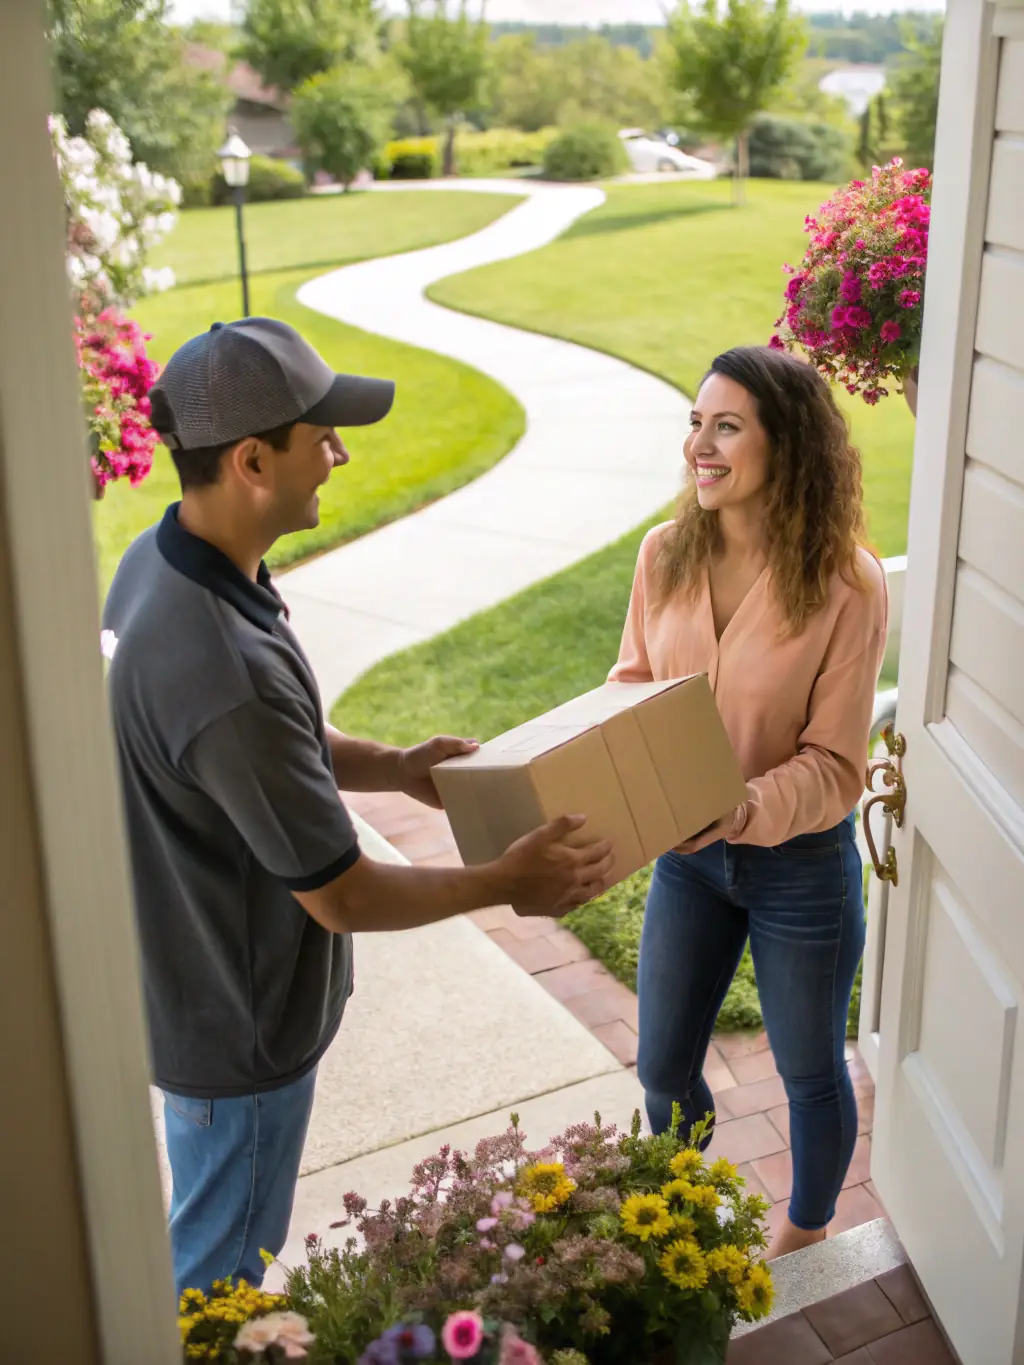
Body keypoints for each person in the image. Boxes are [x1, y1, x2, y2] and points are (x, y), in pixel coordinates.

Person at [102, 318, 613, 1299]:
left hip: (192, 990)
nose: (340, 453)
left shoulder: (163, 564)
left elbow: (263, 750)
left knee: (215, 1248)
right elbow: (341, 896)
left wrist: (397, 766)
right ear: (253, 459)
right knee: (217, 1280)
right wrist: (507, 880)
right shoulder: (221, 665)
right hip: (235, 1033)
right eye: (319, 435)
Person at [609, 345, 888, 1260]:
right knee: (661, 1066)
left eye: (726, 426)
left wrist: (735, 810)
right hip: (687, 863)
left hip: (800, 864)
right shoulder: (664, 552)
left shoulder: (847, 582)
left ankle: (803, 1236)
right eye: (696, 422)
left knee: (809, 1068)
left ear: (789, 445)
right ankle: (678, 1217)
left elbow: (837, 765)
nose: (701, 444)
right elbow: (632, 687)